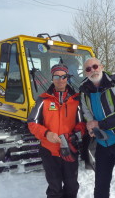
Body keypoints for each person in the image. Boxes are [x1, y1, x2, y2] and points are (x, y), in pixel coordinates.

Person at [79, 57, 115, 198]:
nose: (93, 70)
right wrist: (90, 124)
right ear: (85, 73)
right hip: (102, 144)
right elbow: (86, 111)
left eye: (95, 66)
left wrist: (100, 124)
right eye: (88, 69)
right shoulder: (84, 90)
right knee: (101, 183)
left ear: (102, 66)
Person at [27, 63, 86, 198]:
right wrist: (47, 134)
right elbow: (32, 123)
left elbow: (82, 123)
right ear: (52, 78)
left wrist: (73, 136)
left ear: (67, 78)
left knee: (72, 186)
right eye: (56, 76)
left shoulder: (76, 99)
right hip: (49, 151)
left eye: (63, 76)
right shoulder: (43, 99)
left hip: (70, 149)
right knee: (55, 188)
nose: (60, 79)